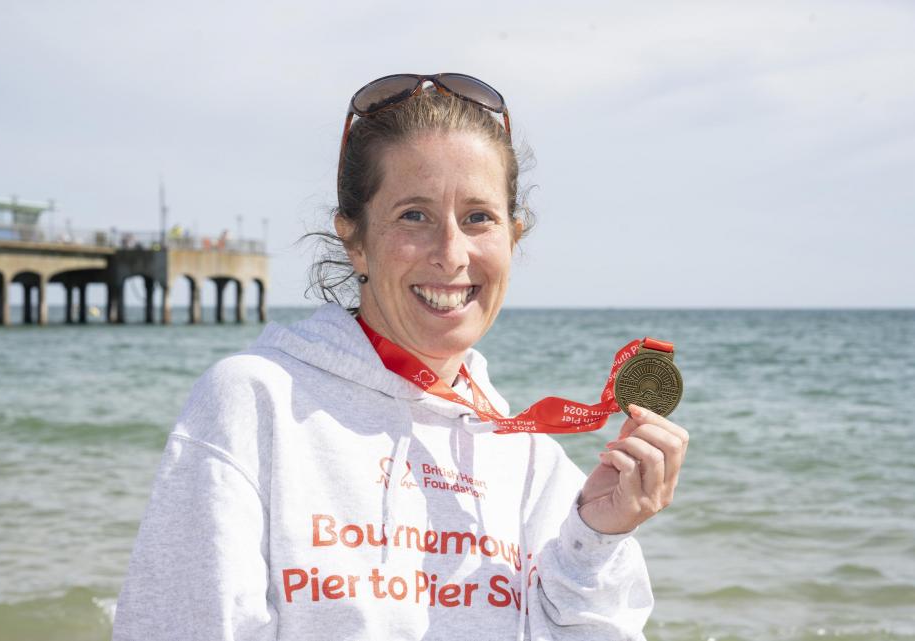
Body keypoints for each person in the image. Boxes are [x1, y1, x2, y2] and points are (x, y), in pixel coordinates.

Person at [112, 73, 689, 641]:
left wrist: (596, 537)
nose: (451, 254)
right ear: (354, 237)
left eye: (478, 218)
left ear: (513, 237)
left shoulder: (530, 457)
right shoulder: (255, 402)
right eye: (413, 215)